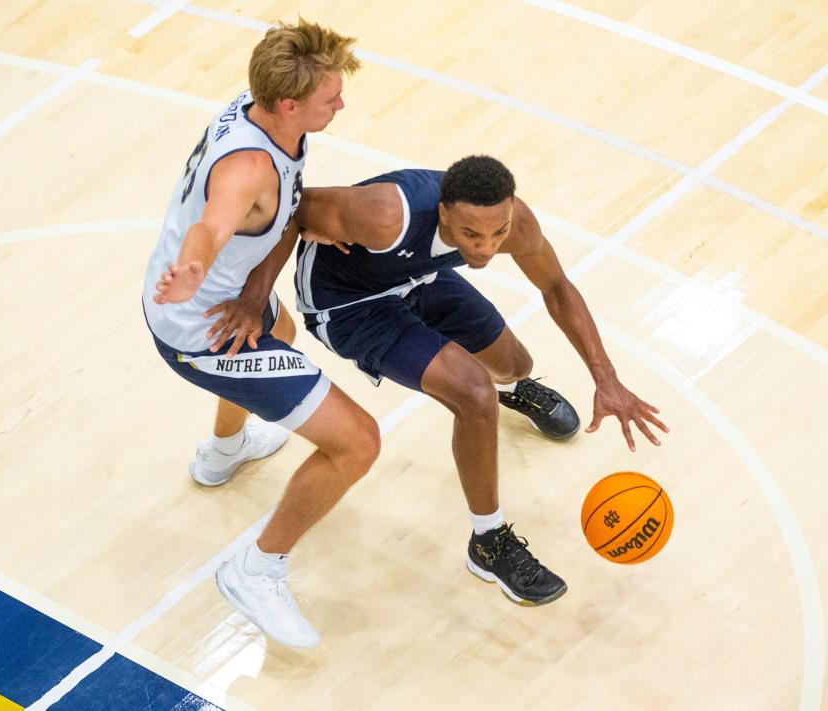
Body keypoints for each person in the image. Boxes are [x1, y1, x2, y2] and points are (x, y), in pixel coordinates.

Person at [215, 155, 669, 608]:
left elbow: (557, 288)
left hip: (419, 277)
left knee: (514, 363)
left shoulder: (517, 224)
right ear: (444, 213)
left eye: (497, 233)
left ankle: (513, 389)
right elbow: (291, 208)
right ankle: (488, 542)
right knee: (473, 390)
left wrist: (605, 378)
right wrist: (255, 299)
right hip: (349, 303)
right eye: (471, 235)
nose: (486, 249)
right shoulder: (385, 214)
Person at [146, 20, 372, 648]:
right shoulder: (248, 166)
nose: (342, 104)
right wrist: (195, 267)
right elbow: (217, 221)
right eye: (332, 97)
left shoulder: (261, 113)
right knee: (356, 444)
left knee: (278, 329)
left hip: (213, 300)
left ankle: (223, 453)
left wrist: (253, 286)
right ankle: (256, 569)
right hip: (199, 326)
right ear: (291, 103)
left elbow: (276, 212)